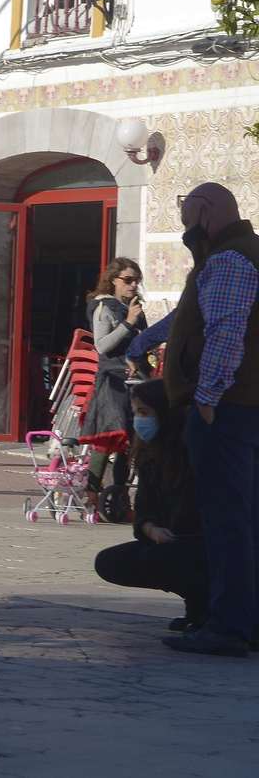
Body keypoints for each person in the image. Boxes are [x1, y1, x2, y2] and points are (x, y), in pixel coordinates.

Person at [161, 183, 259, 658]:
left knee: (228, 521)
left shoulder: (230, 258)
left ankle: (230, 625)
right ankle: (247, 623)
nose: (185, 229)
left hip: (228, 410)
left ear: (206, 210)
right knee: (247, 520)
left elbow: (226, 330)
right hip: (245, 407)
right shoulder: (237, 255)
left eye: (186, 217)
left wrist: (206, 397)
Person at [94, 379, 209, 635]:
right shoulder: (149, 454)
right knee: (110, 562)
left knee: (155, 560)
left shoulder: (196, 451)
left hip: (202, 541)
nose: (138, 420)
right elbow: (145, 507)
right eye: (135, 413)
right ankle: (197, 606)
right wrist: (151, 529)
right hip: (169, 540)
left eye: (144, 413)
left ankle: (208, 607)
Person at [83, 257, 147, 499]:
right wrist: (129, 322)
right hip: (112, 380)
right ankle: (91, 494)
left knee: (130, 442)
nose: (133, 285)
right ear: (112, 280)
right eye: (127, 280)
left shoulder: (133, 306)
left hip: (135, 378)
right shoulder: (104, 307)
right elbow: (101, 345)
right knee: (110, 436)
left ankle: (119, 498)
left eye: (136, 281)